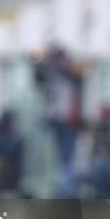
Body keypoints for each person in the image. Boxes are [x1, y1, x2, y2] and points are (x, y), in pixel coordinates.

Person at [32, 44, 84, 197]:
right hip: (60, 121)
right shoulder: (55, 72)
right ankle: (65, 188)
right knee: (64, 158)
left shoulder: (67, 72)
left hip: (69, 121)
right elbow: (39, 78)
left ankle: (66, 189)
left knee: (69, 158)